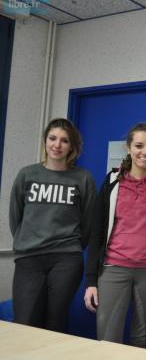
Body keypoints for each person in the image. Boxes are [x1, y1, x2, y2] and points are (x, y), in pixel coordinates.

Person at [84, 122, 146, 348]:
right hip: (112, 269)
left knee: (143, 340)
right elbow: (97, 232)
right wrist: (90, 281)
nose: (144, 152)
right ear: (129, 147)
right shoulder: (112, 181)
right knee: (108, 338)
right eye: (138, 146)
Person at [10, 118, 96, 332]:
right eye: (52, 138)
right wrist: (26, 240)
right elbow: (15, 216)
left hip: (66, 258)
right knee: (25, 320)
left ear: (72, 146)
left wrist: (73, 246)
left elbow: (88, 222)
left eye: (64, 140)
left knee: (55, 321)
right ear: (45, 141)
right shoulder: (27, 174)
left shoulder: (83, 178)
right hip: (29, 257)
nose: (57, 145)